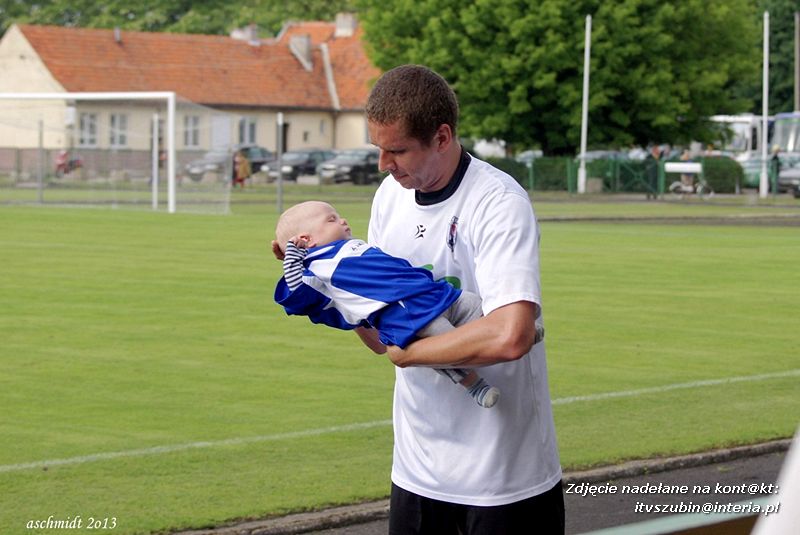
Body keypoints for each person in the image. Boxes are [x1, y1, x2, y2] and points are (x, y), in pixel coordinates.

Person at [364, 65, 564, 534]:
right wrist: (324, 283)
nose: (384, 165)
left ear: (442, 136)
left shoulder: (497, 201)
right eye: (378, 149)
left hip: (504, 479)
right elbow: (378, 335)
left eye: (397, 151)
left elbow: (511, 334)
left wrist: (408, 353)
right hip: (416, 472)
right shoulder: (387, 199)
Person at [273, 200, 502, 408]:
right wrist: (292, 256)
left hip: (431, 292)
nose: (342, 220)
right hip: (408, 314)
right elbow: (296, 290)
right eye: (331, 219)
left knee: (473, 304)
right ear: (306, 240)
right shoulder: (318, 268)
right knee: (446, 343)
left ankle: (507, 330)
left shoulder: (351, 246)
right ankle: (475, 385)